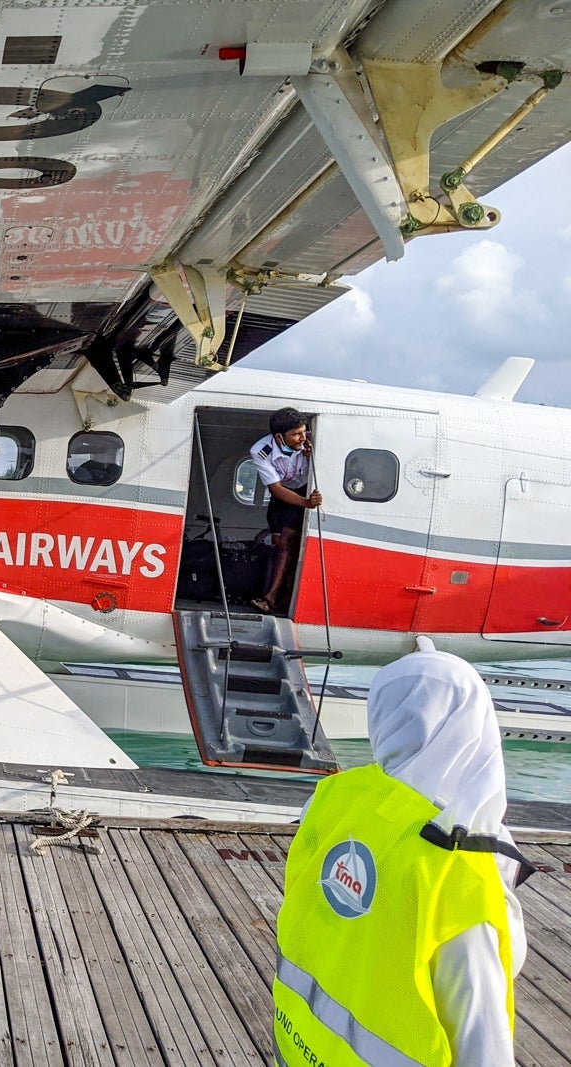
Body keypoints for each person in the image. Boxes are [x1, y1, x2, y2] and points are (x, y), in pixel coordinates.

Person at [273, 638, 532, 1066]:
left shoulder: (334, 799)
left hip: (300, 1043)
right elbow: (480, 1036)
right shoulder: (455, 865)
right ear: (475, 724)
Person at [249, 408, 322, 613]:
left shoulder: (311, 442)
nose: (302, 437)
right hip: (283, 495)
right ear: (280, 437)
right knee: (278, 545)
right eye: (297, 434)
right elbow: (276, 488)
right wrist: (306, 503)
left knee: (288, 541)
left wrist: (310, 456)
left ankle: (272, 599)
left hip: (303, 490)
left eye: (304, 432)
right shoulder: (261, 450)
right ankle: (277, 598)